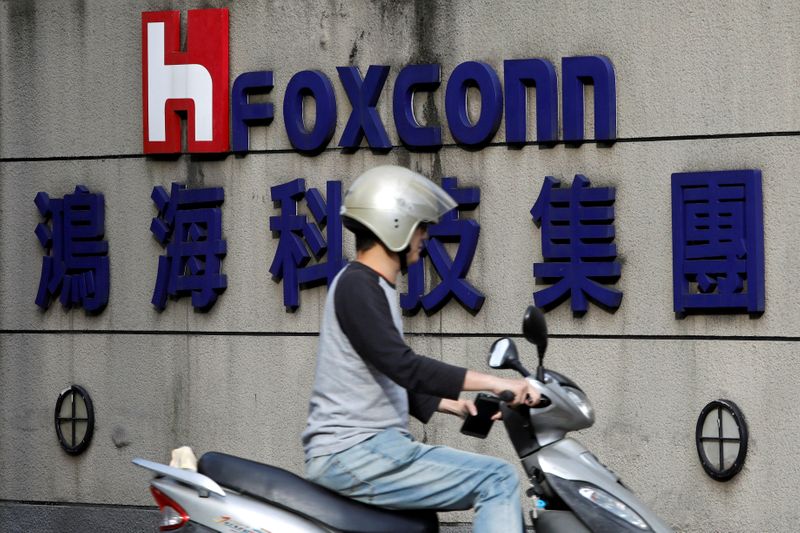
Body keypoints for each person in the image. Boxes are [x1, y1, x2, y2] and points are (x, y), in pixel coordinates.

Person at [302, 165, 540, 533]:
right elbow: (403, 365)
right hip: (354, 451)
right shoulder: (357, 286)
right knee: (497, 479)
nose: (425, 236)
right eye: (420, 225)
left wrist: (454, 405)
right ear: (393, 224)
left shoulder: (372, 286)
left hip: (363, 450)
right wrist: (495, 383)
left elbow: (385, 370)